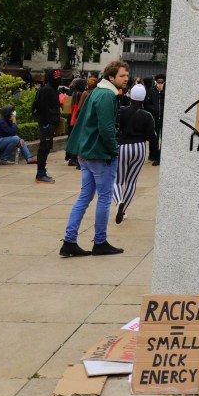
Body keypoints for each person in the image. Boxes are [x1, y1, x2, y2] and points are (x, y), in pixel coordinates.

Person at [59, 60, 130, 257]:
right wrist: (114, 149)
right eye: (122, 75)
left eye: (126, 75)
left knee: (84, 197)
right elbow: (106, 129)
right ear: (111, 77)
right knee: (105, 198)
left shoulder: (97, 91)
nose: (126, 78)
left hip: (86, 153)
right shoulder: (107, 95)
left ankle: (69, 241)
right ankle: (100, 242)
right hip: (100, 154)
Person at [112, 83, 157, 224]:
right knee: (132, 181)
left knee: (117, 181)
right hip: (140, 147)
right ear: (143, 98)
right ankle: (124, 209)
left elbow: (113, 126)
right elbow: (152, 137)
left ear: (130, 96)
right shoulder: (147, 115)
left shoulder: (121, 111)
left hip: (123, 146)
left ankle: (119, 201)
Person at [32, 68, 62, 184]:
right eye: (56, 78)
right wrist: (47, 123)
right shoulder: (47, 90)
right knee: (44, 147)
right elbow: (43, 108)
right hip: (46, 123)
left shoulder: (53, 89)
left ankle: (42, 171)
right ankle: (40, 173)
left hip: (50, 123)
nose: (58, 80)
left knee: (47, 147)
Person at [145, 75, 166, 165]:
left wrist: (162, 93)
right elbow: (147, 104)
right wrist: (154, 109)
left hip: (164, 118)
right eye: (159, 82)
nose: (160, 84)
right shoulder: (151, 92)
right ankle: (153, 155)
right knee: (154, 137)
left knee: (163, 138)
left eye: (162, 82)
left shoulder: (166, 92)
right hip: (155, 118)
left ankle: (161, 156)